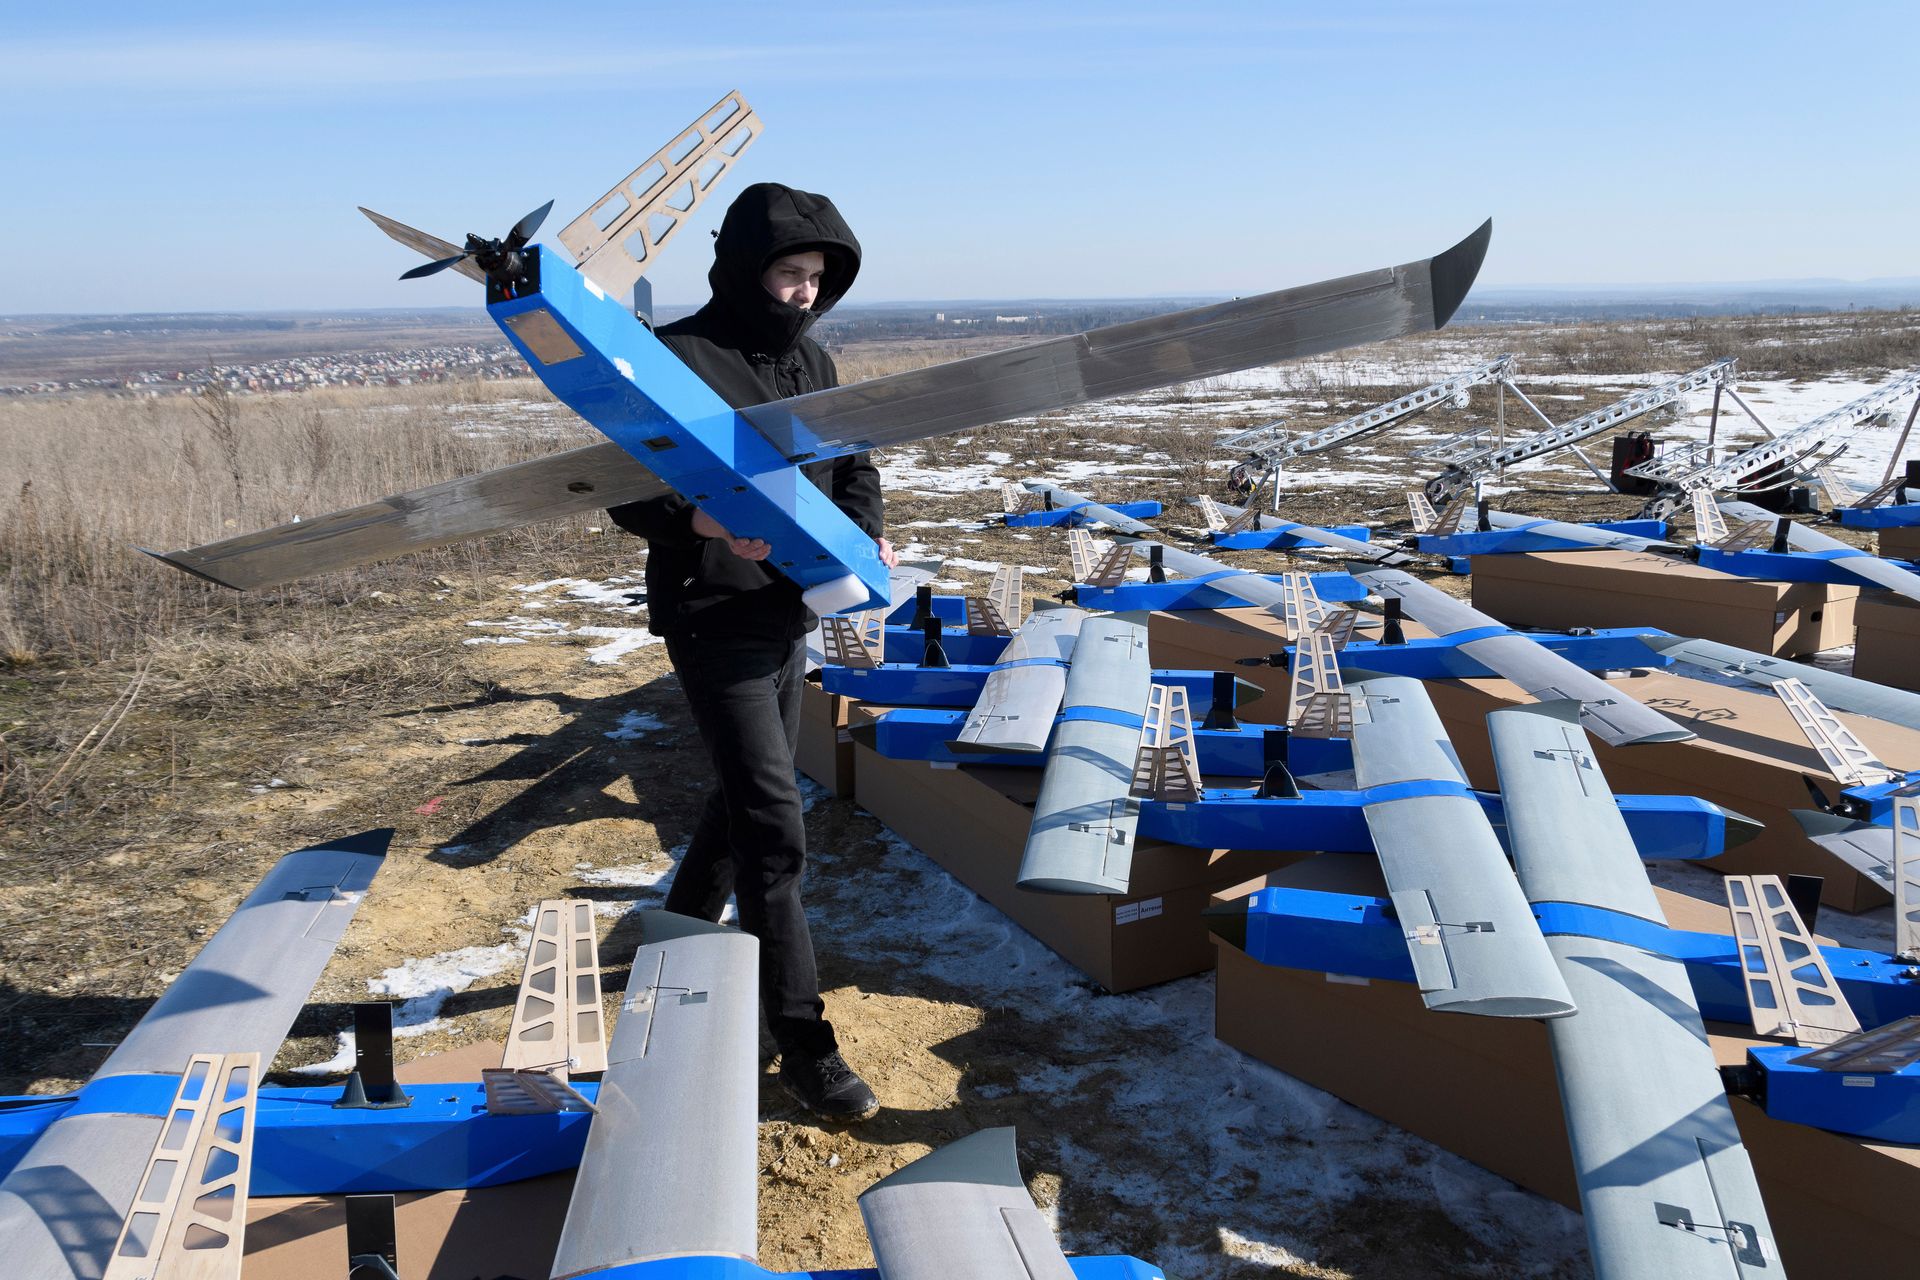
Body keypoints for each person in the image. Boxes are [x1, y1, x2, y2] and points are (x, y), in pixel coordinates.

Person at [607, 182, 893, 1121]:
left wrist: (863, 537)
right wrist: (694, 519)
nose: (804, 291)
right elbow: (622, 484)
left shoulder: (812, 360)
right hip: (713, 610)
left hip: (789, 607)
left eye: (817, 277)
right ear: (743, 267)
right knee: (774, 826)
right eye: (788, 272)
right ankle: (803, 1043)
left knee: (743, 796)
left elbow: (854, 466)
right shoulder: (678, 353)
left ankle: (678, 932)